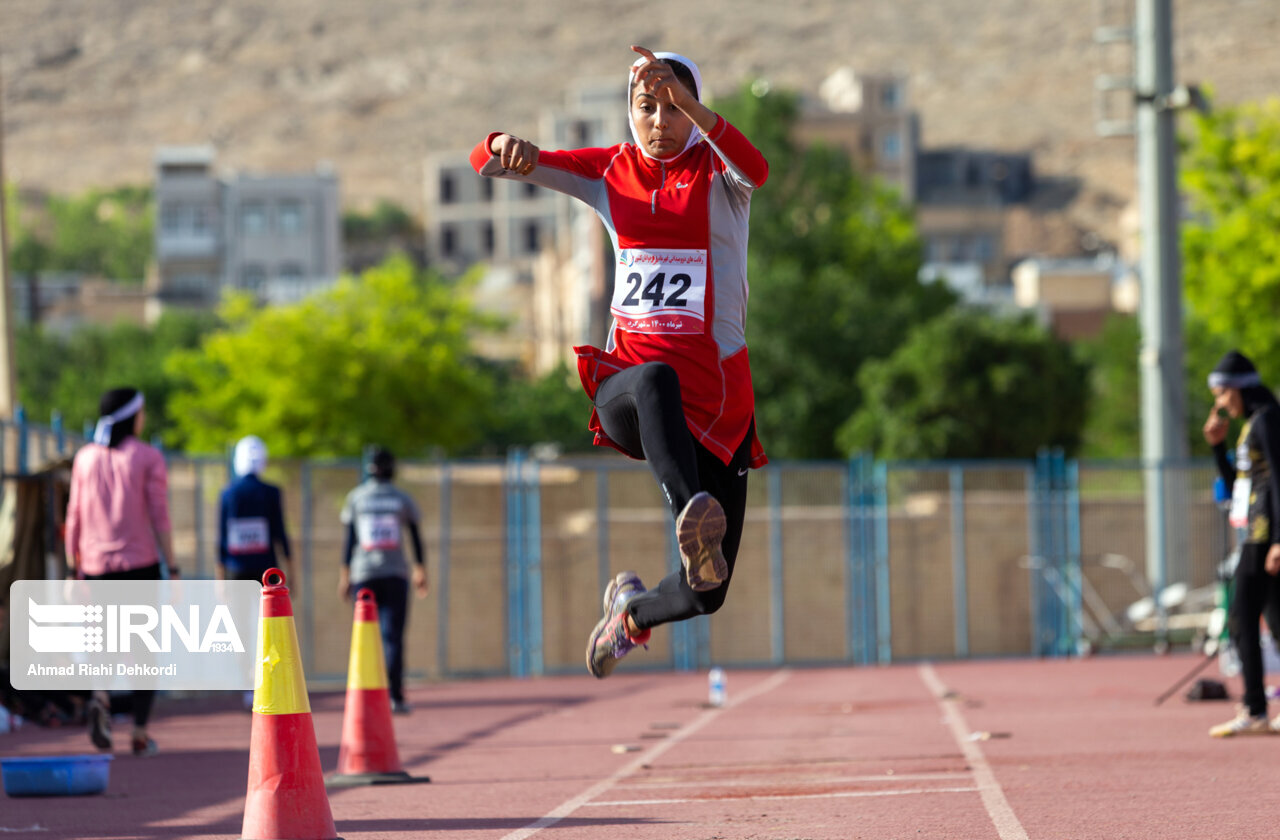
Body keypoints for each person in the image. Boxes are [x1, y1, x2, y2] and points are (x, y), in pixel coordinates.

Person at [471, 45, 769, 678]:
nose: (659, 122)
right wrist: (502, 143)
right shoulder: (609, 170)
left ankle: (628, 615)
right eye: (646, 108)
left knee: (705, 595)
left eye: (673, 109)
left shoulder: (722, 177)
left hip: (718, 404)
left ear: (694, 113)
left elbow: (759, 167)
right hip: (632, 390)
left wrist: (692, 105)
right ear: (627, 113)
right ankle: (691, 513)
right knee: (655, 376)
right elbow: (484, 163)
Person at [65, 387, 176, 756]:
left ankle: (100, 696)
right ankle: (140, 734)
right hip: (140, 565)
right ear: (134, 416)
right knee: (143, 650)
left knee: (104, 644)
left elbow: (74, 516)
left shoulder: (84, 458)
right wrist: (172, 565)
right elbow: (160, 516)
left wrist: (71, 568)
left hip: (95, 568)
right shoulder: (147, 457)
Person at [1203, 350, 1280, 737]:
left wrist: (1279, 541)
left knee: (1241, 618)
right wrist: (1218, 447)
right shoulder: (1252, 424)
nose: (1219, 403)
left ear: (1238, 390)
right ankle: (1258, 708)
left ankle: (1254, 708)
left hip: (1266, 536)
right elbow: (1239, 488)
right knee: (1278, 621)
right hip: (1258, 532)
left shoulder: (1267, 421)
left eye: (1221, 393)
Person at [338, 448, 428, 714]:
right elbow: (414, 534)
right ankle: (395, 696)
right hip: (395, 574)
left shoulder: (356, 498)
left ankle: (363, 697)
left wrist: (344, 576)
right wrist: (420, 568)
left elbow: (349, 541)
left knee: (364, 637)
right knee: (393, 637)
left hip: (363, 575)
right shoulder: (401, 498)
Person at [217, 435, 294, 586]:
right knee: (268, 610)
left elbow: (222, 539)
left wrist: (220, 581)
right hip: (266, 571)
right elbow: (280, 534)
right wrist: (291, 572)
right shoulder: (271, 492)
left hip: (236, 570)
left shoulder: (228, 493)